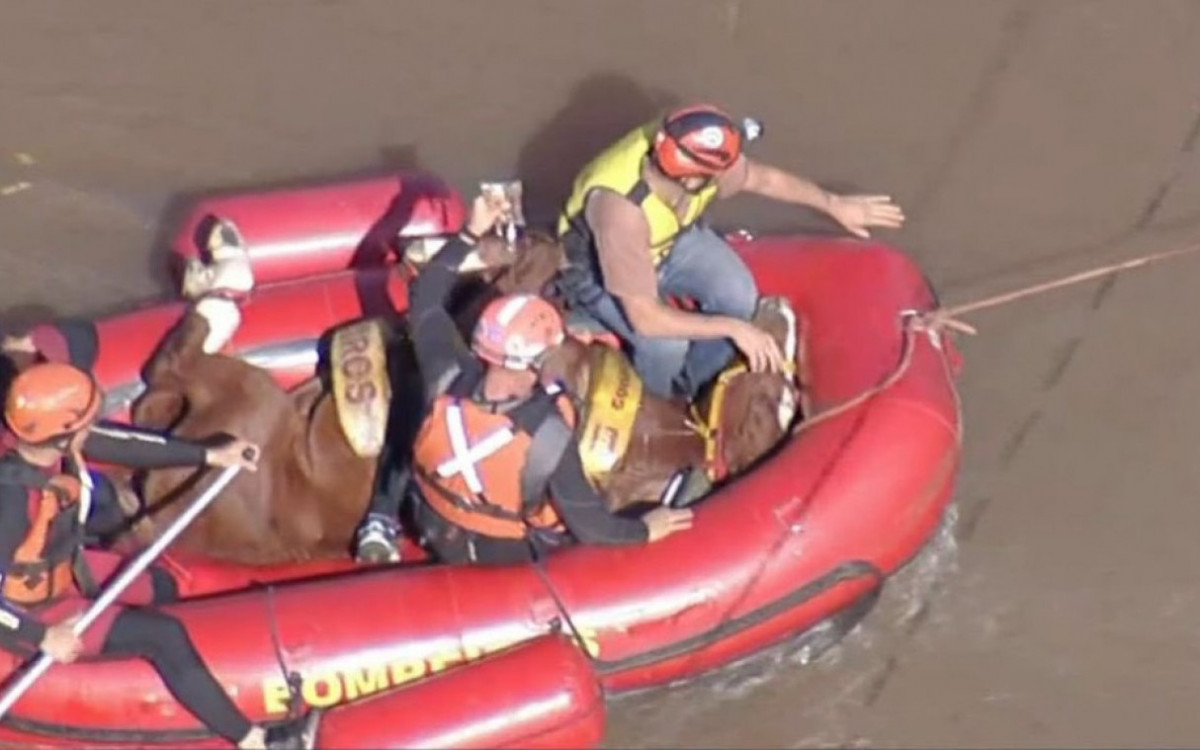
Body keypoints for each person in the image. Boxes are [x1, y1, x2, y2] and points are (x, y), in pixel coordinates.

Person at [355, 192, 693, 565]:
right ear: (539, 360)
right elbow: (593, 527)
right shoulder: (549, 436)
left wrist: (469, 233)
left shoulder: (443, 374)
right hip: (499, 552)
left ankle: (383, 518)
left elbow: (427, 298)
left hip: (434, 522)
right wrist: (647, 528)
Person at [0, 362, 315, 749]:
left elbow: (125, 444)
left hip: (65, 568)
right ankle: (256, 741)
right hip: (29, 611)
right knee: (165, 636)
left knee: (163, 583)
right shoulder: (10, 502)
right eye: (85, 422)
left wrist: (209, 455)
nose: (92, 427)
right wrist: (42, 635)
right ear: (63, 437)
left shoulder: (55, 446)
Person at [556, 103, 907, 399]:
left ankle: (696, 386)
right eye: (718, 173)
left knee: (738, 292)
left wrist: (833, 204)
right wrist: (734, 329)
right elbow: (645, 318)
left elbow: (764, 179)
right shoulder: (621, 211)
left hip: (671, 241)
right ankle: (659, 400)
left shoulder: (690, 146)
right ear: (692, 179)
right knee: (665, 347)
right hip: (597, 269)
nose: (732, 173)